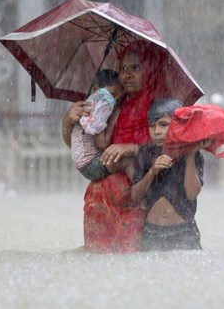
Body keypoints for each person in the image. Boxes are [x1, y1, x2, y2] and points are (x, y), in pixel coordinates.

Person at [62, 40, 170, 253]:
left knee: (131, 264)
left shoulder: (158, 107)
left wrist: (132, 148)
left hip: (138, 199)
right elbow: (83, 148)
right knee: (99, 268)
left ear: (149, 72)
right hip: (100, 200)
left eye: (136, 68)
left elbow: (168, 149)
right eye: (123, 69)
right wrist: (68, 122)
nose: (128, 74)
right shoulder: (109, 103)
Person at [131, 99, 211, 251]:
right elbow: (135, 196)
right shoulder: (145, 153)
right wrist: (152, 171)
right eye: (152, 126)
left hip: (183, 233)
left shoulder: (193, 153)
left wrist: (190, 155)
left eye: (163, 125)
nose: (157, 131)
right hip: (151, 232)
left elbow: (192, 193)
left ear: (178, 126)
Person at [70, 69, 132, 181]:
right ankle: (139, 188)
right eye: (113, 95)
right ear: (95, 90)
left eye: (119, 98)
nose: (115, 101)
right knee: (128, 162)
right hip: (91, 164)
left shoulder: (88, 105)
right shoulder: (97, 111)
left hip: (83, 164)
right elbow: (102, 143)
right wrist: (114, 117)